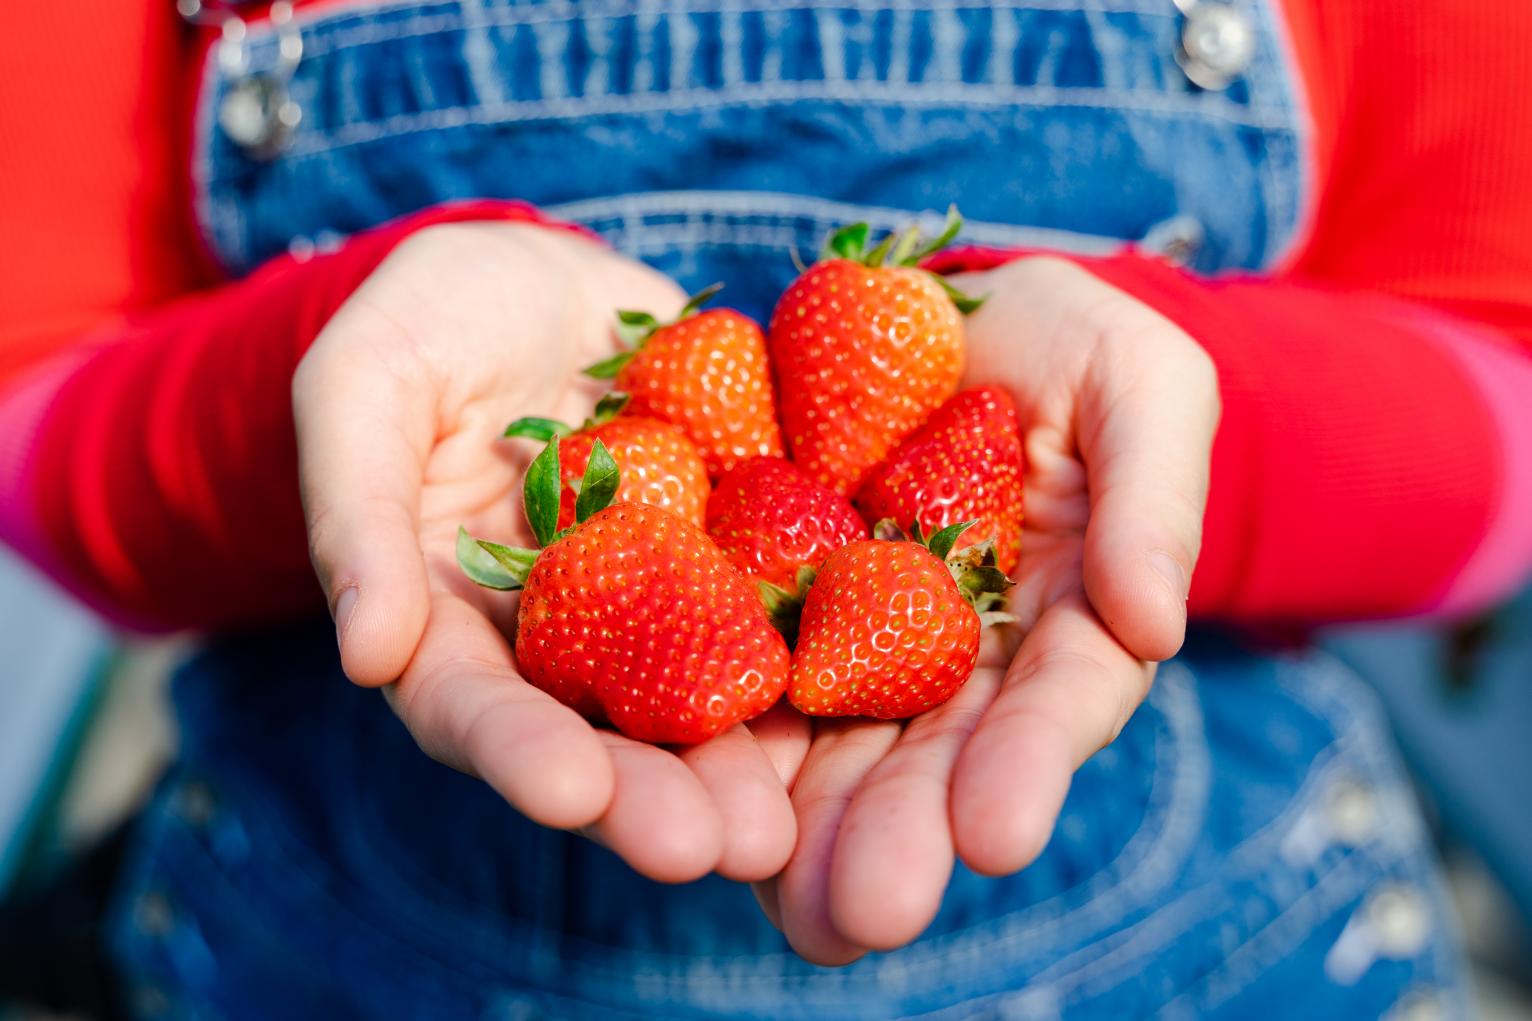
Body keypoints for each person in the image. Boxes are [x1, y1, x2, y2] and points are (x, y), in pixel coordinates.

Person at [2, 0, 1530, 1016]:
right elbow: (34, 416)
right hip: (338, 948)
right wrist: (343, 387)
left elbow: (1503, 421)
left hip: (1219, 952)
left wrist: (1159, 434)